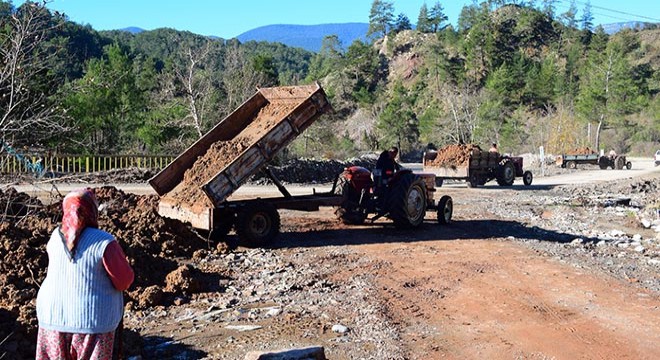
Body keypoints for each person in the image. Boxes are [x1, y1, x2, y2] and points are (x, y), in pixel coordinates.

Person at [36, 189, 134, 360]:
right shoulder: (104, 241)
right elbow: (123, 281)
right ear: (92, 211)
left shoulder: (54, 238)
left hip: (51, 319)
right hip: (92, 323)